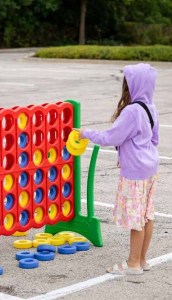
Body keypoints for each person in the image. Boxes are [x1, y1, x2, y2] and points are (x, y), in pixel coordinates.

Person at [75, 63, 159, 275]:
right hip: (150, 169)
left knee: (136, 220)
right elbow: (154, 140)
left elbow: (110, 137)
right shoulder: (151, 107)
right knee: (147, 216)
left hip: (135, 173)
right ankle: (142, 260)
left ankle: (132, 265)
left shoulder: (132, 111)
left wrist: (85, 133)